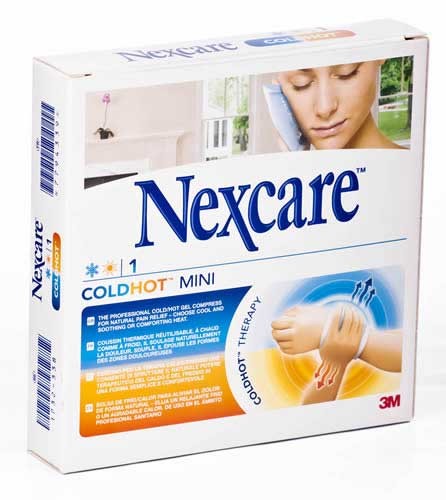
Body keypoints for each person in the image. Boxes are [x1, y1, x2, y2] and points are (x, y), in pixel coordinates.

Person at [275, 60, 407, 150]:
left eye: (346, 73)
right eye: (301, 83)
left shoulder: (412, 172)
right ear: (278, 86)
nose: (325, 108)